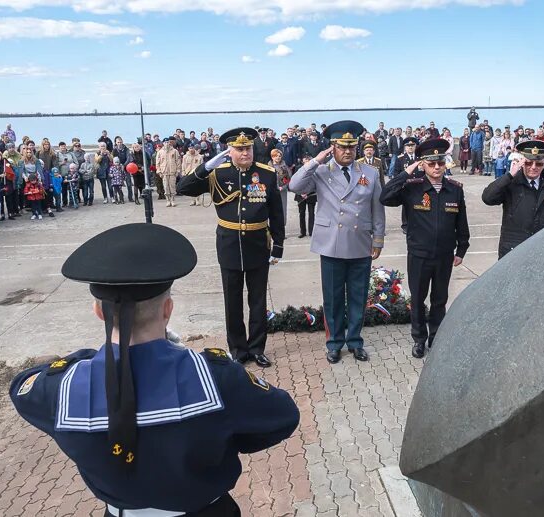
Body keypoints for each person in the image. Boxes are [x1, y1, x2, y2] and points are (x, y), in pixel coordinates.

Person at [9, 223, 299, 517]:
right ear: (167, 309)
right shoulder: (216, 379)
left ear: (99, 312)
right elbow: (284, 416)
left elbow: (21, 387)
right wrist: (225, 439)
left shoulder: (60, 390)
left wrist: (88, 358)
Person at [178, 128, 285, 368]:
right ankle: (238, 350)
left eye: (248, 148)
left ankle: (257, 348)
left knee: (258, 300)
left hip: (258, 243)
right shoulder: (218, 173)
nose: (245, 152)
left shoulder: (266, 174)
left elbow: (277, 213)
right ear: (230, 150)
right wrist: (205, 167)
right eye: (239, 148)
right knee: (232, 300)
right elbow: (183, 188)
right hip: (229, 244)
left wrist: (278, 244)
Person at [289, 120, 385, 364]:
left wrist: (378, 239)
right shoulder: (321, 171)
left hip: (359, 242)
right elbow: (294, 185)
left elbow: (377, 208)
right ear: (332, 147)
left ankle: (354, 341)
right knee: (332, 298)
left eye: (352, 147)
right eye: (342, 147)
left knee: (358, 296)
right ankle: (334, 343)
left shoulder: (370, 173)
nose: (348, 151)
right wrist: (316, 160)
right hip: (331, 243)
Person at [380, 139, 470, 359]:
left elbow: (462, 223)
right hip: (419, 255)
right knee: (418, 300)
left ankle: (436, 337)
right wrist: (407, 171)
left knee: (440, 300)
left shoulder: (454, 190)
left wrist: (461, 251)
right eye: (431, 163)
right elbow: (385, 196)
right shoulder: (412, 188)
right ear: (423, 165)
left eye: (440, 162)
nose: (437, 167)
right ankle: (419, 340)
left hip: (444, 257)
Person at [482, 140, 544, 259]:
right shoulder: (511, 182)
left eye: (539, 164)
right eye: (529, 163)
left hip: (543, 248)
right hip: (513, 249)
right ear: (522, 162)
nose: (533, 167)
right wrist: (509, 175)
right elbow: (487, 198)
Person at [155, 138, 182, 207]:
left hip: (172, 171)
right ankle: (168, 200)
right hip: (164, 172)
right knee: (166, 187)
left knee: (172, 186)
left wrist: (178, 171)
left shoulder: (174, 151)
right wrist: (159, 172)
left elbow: (178, 161)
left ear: (169, 143)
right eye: (165, 142)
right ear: (163, 143)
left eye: (167, 142)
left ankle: (172, 200)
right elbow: (157, 163)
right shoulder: (160, 152)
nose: (166, 143)